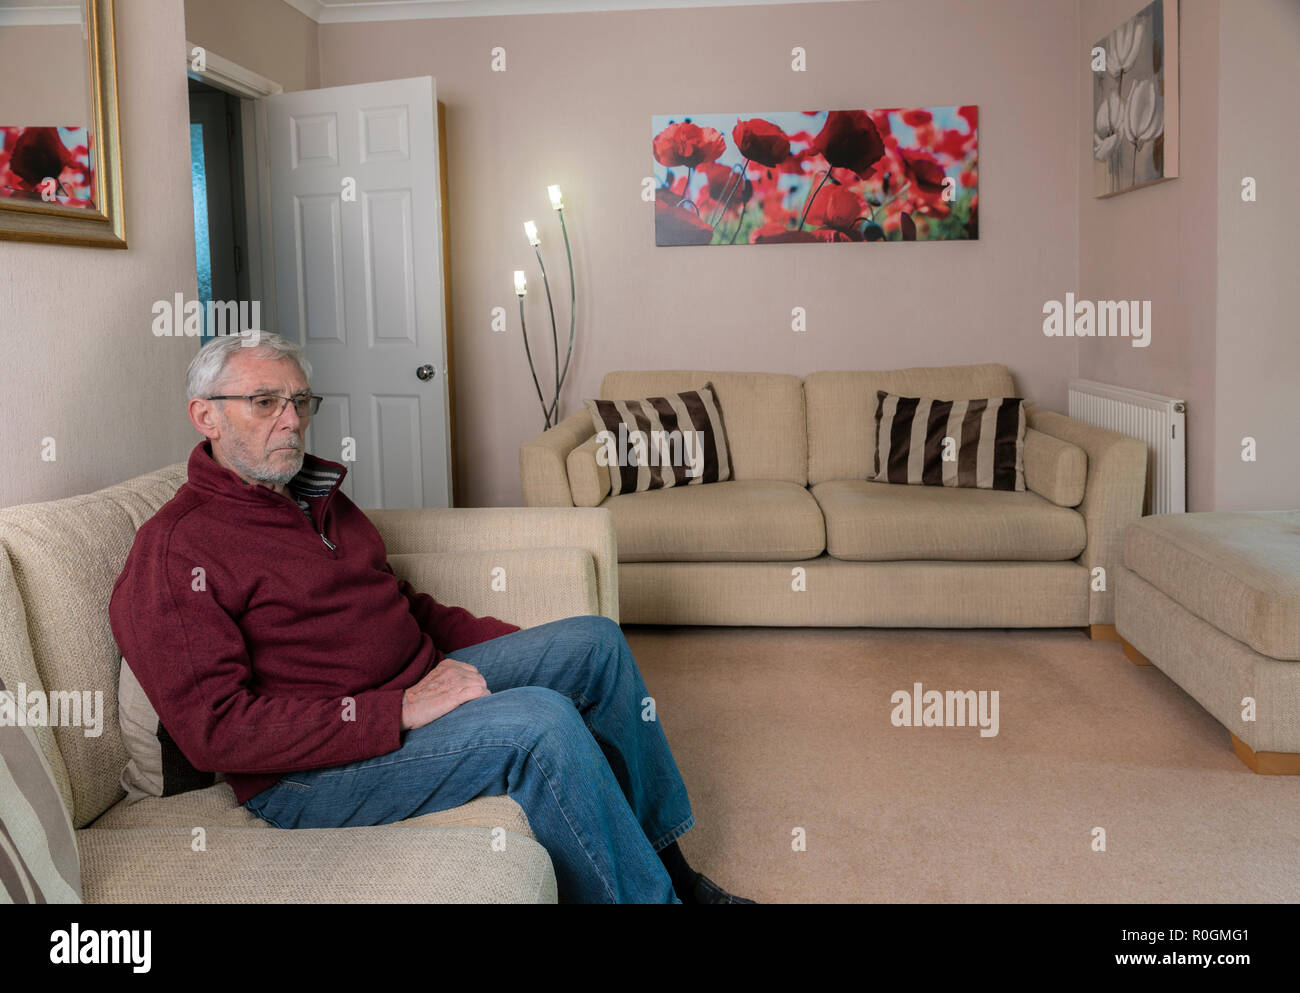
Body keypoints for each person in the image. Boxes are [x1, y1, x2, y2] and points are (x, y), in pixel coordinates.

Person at [109, 331, 752, 904]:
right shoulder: (176, 550)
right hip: (310, 775)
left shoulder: (318, 501)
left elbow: (405, 607)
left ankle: (673, 872)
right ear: (206, 416)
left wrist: (534, 653)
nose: (292, 420)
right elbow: (216, 731)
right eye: (264, 401)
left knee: (593, 642)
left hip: (416, 682)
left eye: (302, 401)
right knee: (540, 723)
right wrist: (397, 710)